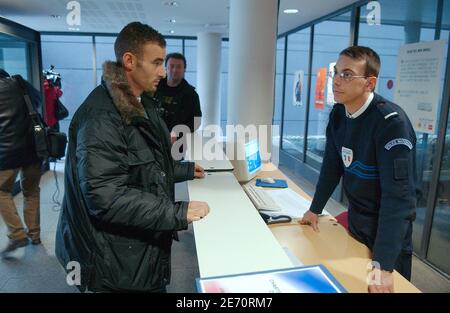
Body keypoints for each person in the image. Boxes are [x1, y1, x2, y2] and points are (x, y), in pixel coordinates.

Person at [55, 22, 209, 293]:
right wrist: (176, 213)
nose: (163, 72)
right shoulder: (102, 116)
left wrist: (183, 170)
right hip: (114, 258)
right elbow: (105, 196)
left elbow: (147, 164)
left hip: (137, 248)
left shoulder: (144, 101)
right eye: (157, 63)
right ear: (129, 61)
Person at [300, 46, 417, 293]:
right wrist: (315, 209)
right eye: (336, 73)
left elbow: (398, 199)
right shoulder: (339, 114)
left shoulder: (391, 123)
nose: (337, 81)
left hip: (388, 235)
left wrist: (384, 265)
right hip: (357, 223)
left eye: (347, 74)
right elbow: (332, 167)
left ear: (369, 83)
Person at [0, 69, 43, 257]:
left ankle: (17, 234)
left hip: (6, 152)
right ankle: (34, 235)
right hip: (33, 146)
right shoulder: (19, 82)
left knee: (2, 191)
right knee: (31, 192)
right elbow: (38, 102)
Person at [155, 52, 202, 137]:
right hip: (154, 138)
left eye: (179, 67)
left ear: (184, 69)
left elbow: (197, 122)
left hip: (178, 142)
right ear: (166, 67)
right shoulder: (154, 88)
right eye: (171, 66)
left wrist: (178, 132)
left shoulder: (191, 94)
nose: (174, 70)